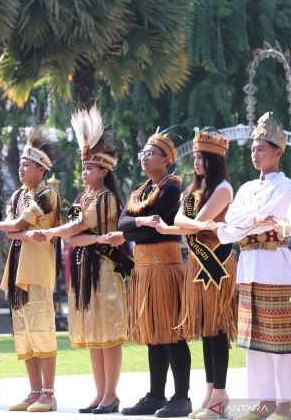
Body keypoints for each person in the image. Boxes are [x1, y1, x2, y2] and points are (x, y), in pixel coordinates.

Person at [151, 130, 237, 419]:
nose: (196, 162)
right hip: (198, 265)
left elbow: (196, 223)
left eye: (202, 157)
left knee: (218, 327)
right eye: (196, 157)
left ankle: (221, 396)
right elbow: (184, 223)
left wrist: (184, 225)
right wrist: (172, 227)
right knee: (206, 330)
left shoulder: (223, 188)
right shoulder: (194, 190)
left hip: (217, 266)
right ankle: (211, 391)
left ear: (214, 160)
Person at [0, 125, 61, 412]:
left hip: (37, 270)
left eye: (26, 165)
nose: (21, 169)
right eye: (19, 164)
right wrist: (21, 233)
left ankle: (49, 394)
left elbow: (12, 226)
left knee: (41, 328)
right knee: (24, 332)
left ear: (41, 168)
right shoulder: (16, 196)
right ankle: (34, 391)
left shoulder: (48, 195)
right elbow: (14, 231)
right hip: (17, 271)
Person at [216, 112, 291, 420]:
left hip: (276, 266)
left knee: (281, 339)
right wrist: (253, 220)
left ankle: (286, 403)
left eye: (262, 149)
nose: (256, 154)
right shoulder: (246, 188)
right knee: (253, 341)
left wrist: (248, 220)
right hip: (248, 267)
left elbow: (251, 219)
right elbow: (227, 226)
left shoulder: (286, 187)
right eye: (253, 149)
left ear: (278, 152)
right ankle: (262, 404)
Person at [118, 130, 192, 418]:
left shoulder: (171, 188)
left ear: (166, 159)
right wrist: (140, 221)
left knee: (171, 332)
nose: (144, 158)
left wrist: (137, 227)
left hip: (164, 267)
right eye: (143, 153)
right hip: (145, 269)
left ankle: (181, 397)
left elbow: (149, 231)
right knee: (153, 333)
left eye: (151, 153)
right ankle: (155, 394)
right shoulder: (140, 189)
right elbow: (124, 223)